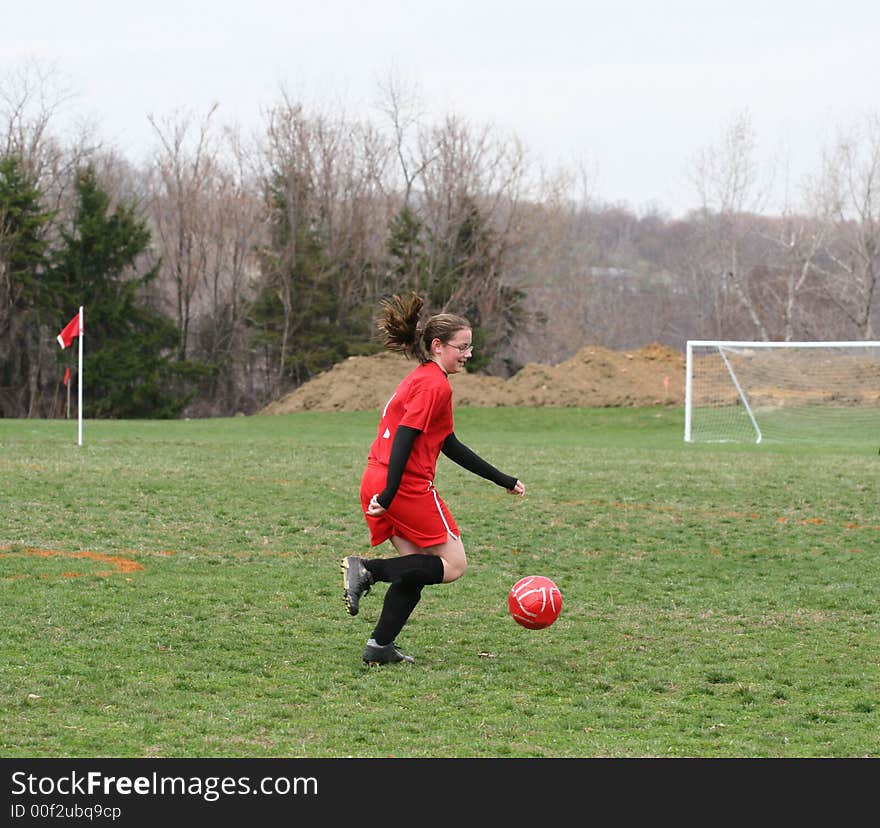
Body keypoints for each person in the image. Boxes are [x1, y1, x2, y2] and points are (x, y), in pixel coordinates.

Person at [342, 292, 525, 665]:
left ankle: (379, 646)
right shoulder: (434, 384)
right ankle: (368, 569)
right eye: (462, 347)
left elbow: (449, 444)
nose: (468, 354)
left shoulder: (424, 379)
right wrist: (392, 494)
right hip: (404, 485)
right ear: (438, 346)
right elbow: (407, 437)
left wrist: (501, 478)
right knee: (454, 565)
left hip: (376, 479)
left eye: (470, 347)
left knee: (415, 572)